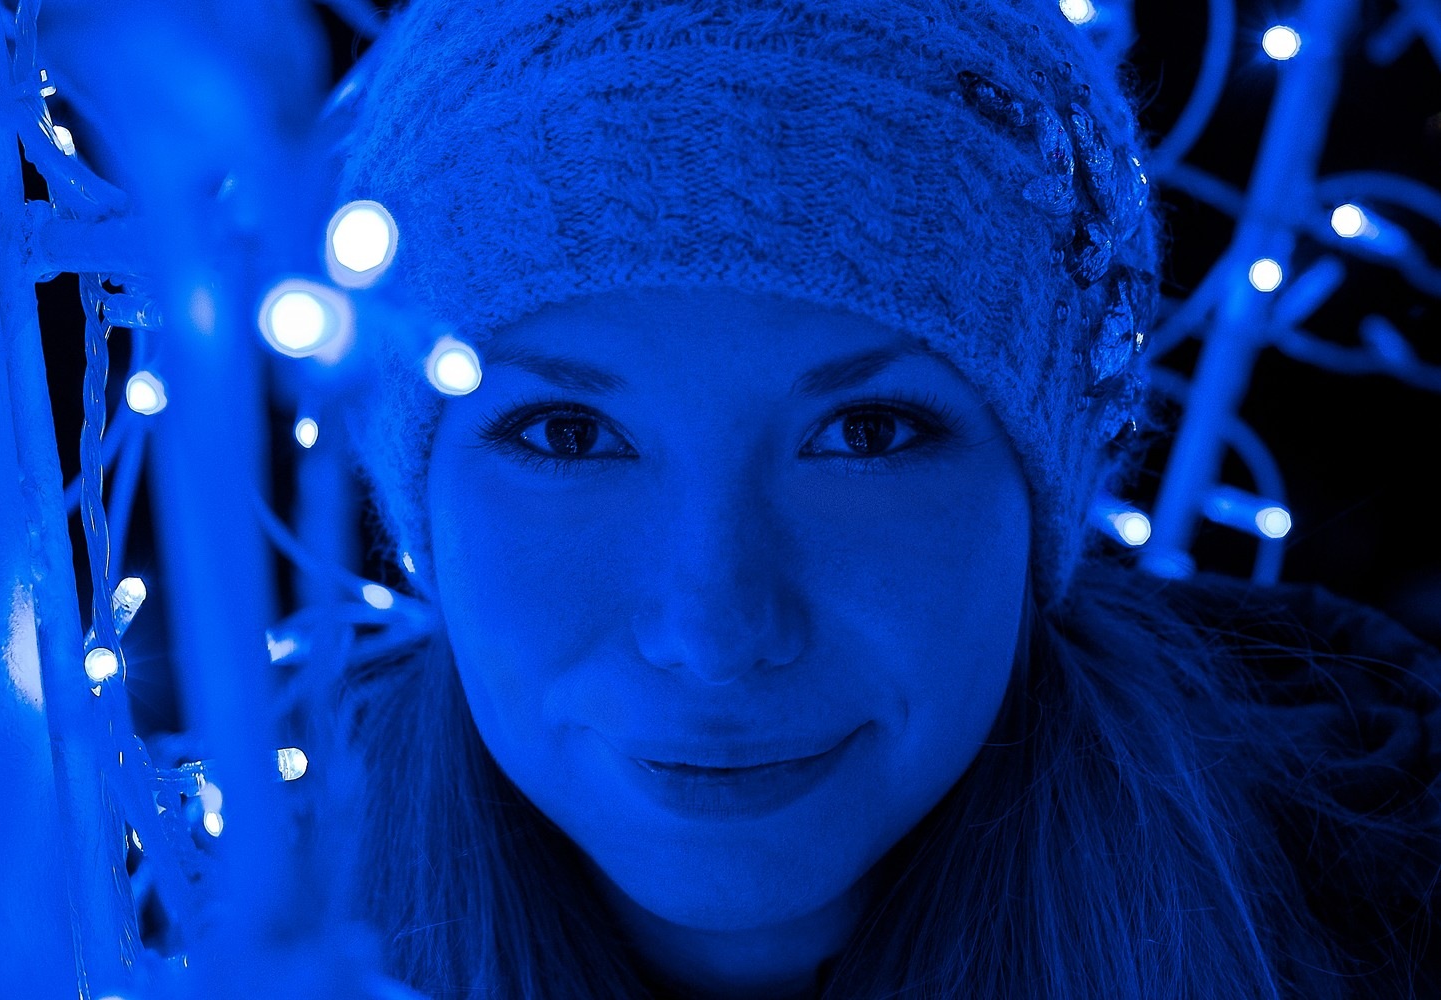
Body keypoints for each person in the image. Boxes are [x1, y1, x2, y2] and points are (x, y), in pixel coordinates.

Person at [331, 1, 1441, 996]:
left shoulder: (1381, 922)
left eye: (866, 433)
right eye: (567, 435)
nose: (715, 635)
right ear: (421, 500)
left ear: (1042, 492)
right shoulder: (224, 918)